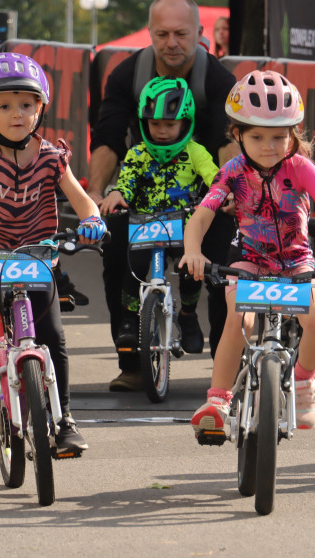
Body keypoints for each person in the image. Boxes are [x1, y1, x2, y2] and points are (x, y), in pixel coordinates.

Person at [182, 71, 315, 441]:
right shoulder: (231, 172)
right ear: (237, 135)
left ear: (293, 134)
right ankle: (217, 402)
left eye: (279, 136)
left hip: (296, 262)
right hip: (248, 258)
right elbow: (200, 216)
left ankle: (302, 382)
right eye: (257, 136)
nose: (269, 146)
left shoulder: (301, 167)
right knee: (238, 321)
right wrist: (192, 252)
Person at [89, 0, 238, 392]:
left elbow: (228, 146)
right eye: (162, 34)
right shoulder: (127, 75)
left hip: (203, 197)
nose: (171, 43)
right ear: (151, 32)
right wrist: (94, 198)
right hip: (144, 193)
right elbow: (107, 141)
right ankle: (132, 362)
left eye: (181, 34)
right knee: (115, 248)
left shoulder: (218, 80)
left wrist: (234, 195)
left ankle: (227, 365)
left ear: (199, 34)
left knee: (226, 264)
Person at [0, 53, 108, 455]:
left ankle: (65, 420)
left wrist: (93, 220)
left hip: (38, 259)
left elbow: (83, 201)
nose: (17, 114)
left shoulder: (52, 158)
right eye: (4, 105)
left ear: (41, 108)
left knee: (53, 337)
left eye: (27, 104)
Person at [98, 77, 219, 355]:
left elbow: (216, 179)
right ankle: (129, 320)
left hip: (185, 226)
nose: (162, 131)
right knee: (133, 266)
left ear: (185, 123)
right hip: (145, 225)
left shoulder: (196, 152)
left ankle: (188, 316)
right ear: (144, 122)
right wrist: (118, 194)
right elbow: (125, 184)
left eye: (170, 124)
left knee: (191, 269)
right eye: (155, 124)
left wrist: (224, 194)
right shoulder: (137, 153)